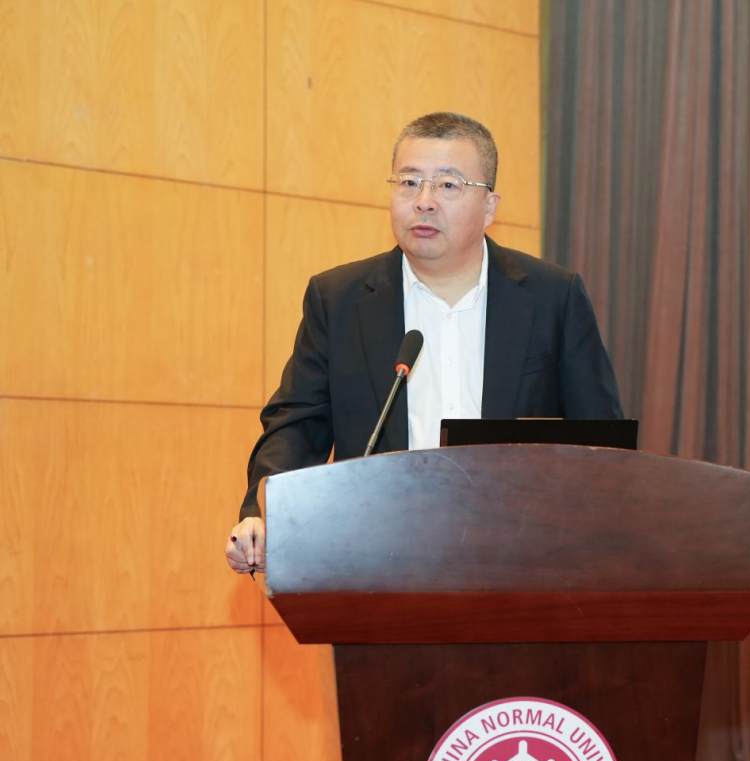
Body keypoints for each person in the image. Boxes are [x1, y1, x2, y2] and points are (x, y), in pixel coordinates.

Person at [225, 112, 622, 575]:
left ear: (490, 206)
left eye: (448, 185)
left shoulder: (553, 298)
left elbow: (601, 441)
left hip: (522, 562)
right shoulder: (340, 300)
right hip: (380, 562)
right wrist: (262, 512)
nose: (424, 202)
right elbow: (297, 425)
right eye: (409, 182)